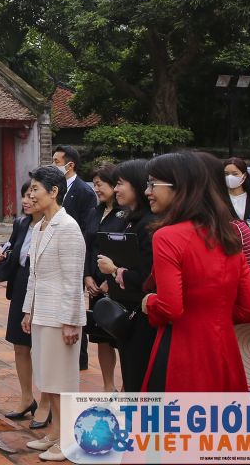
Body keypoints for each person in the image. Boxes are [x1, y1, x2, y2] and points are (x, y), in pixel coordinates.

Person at [141, 152, 250, 391]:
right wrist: (214, 313)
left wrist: (150, 302)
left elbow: (170, 307)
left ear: (180, 187)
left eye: (153, 183)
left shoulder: (168, 237)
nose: (147, 191)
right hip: (225, 350)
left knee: (177, 424)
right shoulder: (228, 234)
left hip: (182, 350)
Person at [21, 165, 86, 463]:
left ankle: (69, 439)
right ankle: (55, 432)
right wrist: (27, 310)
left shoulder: (68, 227)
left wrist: (72, 321)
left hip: (62, 316)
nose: (31, 194)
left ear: (54, 191)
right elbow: (34, 275)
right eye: (31, 189)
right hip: (42, 312)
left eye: (36, 189)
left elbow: (73, 279)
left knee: (62, 382)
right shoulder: (39, 227)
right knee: (48, 378)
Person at [0, 182, 51, 429]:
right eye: (24, 195)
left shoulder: (53, 224)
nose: (26, 200)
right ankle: (27, 398)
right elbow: (11, 246)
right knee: (20, 344)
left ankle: (47, 403)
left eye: (31, 194)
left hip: (44, 288)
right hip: (21, 284)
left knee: (44, 347)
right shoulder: (22, 223)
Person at [95, 159, 156, 392]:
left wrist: (113, 271)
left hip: (142, 316)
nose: (116, 189)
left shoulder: (149, 225)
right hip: (128, 314)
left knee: (140, 379)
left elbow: (147, 278)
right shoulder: (130, 219)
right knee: (131, 374)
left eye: (120, 183)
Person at [81, 164, 126, 392]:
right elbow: (88, 246)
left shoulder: (126, 214)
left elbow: (127, 249)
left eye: (101, 184)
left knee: (120, 338)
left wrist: (111, 279)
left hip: (117, 282)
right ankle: (108, 386)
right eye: (95, 184)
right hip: (95, 282)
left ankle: (127, 386)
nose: (96, 189)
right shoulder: (94, 212)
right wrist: (87, 276)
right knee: (101, 336)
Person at [52, 145, 96, 370]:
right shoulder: (56, 188)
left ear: (70, 165)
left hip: (75, 253)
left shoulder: (84, 191)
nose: (54, 165)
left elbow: (88, 230)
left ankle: (81, 357)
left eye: (57, 161)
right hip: (56, 254)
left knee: (74, 305)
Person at [225, 158, 250, 279]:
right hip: (228, 253)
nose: (230, 177)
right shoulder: (218, 200)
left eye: (235, 174)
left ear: (244, 176)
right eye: (226, 174)